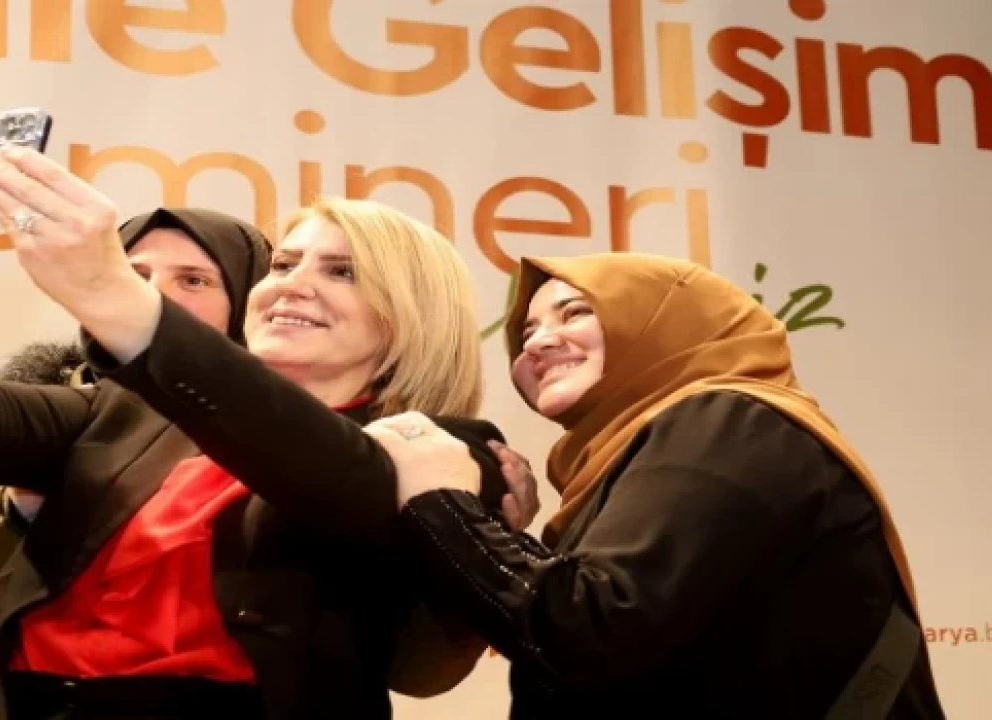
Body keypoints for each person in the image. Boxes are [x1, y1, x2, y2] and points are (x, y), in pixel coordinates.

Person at [0, 118, 527, 719]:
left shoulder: (450, 452)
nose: (290, 284)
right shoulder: (125, 409)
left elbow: (331, 476)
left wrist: (113, 296)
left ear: (411, 314)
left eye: (341, 271)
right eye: (284, 264)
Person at [367, 253, 947, 719]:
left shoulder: (728, 419)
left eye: (573, 313)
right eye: (527, 331)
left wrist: (440, 499)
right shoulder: (626, 461)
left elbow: (591, 627)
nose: (536, 343)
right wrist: (490, 529)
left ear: (669, 320)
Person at [0, 207, 274, 650]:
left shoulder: (274, 437)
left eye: (193, 280)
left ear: (247, 303)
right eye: (133, 275)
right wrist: (15, 510)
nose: (153, 294)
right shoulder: (11, 416)